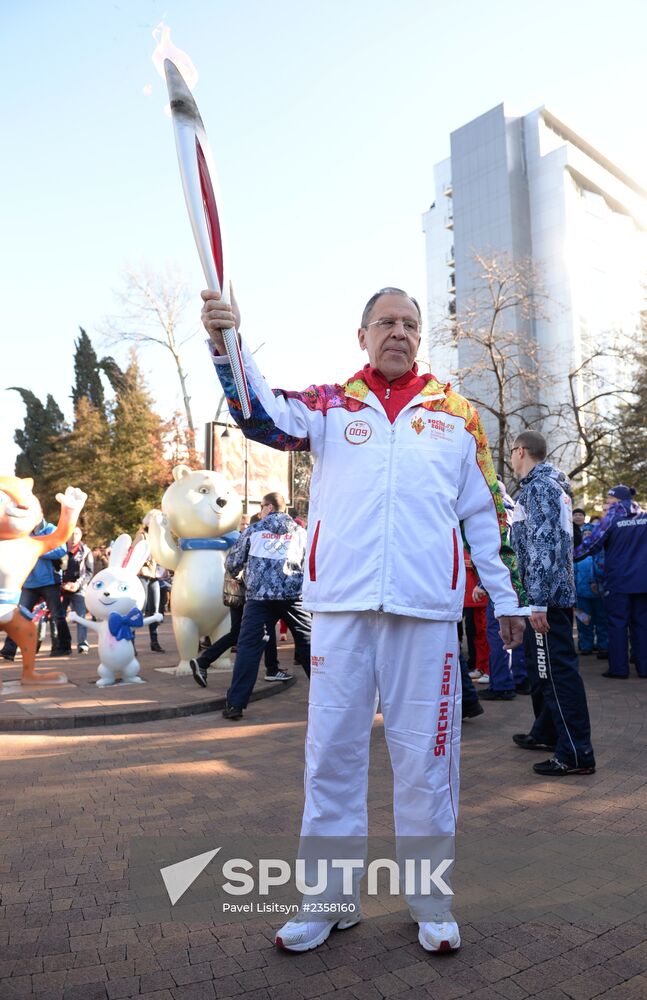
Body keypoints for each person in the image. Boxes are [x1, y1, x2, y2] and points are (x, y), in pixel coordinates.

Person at [201, 285, 527, 955]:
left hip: (425, 615)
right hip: (342, 611)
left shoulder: (456, 415)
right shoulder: (329, 405)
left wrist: (506, 598)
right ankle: (327, 903)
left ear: (419, 335)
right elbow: (262, 417)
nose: (398, 332)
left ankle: (430, 903)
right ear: (362, 335)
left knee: (426, 764)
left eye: (410, 323)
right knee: (331, 762)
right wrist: (227, 344)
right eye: (386, 322)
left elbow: (483, 514)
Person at [509, 431, 595, 776]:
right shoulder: (547, 487)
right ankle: (546, 732)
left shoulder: (540, 488)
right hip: (543, 596)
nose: (512, 459)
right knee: (540, 669)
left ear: (521, 452)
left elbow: (543, 548)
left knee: (556, 674)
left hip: (545, 600)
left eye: (513, 453)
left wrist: (539, 602)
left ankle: (575, 753)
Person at [219, 492, 310, 715]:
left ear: (268, 507)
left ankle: (235, 704)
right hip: (293, 597)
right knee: (309, 645)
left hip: (259, 598)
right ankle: (329, 699)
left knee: (248, 649)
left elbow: (233, 562)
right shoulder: (300, 532)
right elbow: (310, 561)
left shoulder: (253, 530)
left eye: (261, 506)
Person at [574, 485, 647, 679]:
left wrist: (569, 558)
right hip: (642, 581)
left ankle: (619, 668)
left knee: (617, 624)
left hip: (618, 581)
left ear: (617, 500)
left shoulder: (612, 519)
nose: (607, 501)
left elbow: (592, 545)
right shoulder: (645, 517)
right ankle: (644, 667)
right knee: (642, 624)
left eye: (609, 498)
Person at [0, 518, 73, 660]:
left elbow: (61, 550)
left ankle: (64, 647)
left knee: (57, 615)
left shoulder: (50, 530)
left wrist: (37, 550)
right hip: (29, 583)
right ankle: (9, 650)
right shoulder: (22, 533)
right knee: (18, 617)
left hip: (49, 581)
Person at [573, 524, 608, 657]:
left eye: (590, 533)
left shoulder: (600, 551)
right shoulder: (578, 552)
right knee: (584, 622)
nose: (587, 535)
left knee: (602, 621)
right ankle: (586, 646)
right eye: (585, 533)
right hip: (581, 596)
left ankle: (603, 646)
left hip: (599, 595)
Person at [60, 527, 94, 653]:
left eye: (77, 534)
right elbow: (54, 568)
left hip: (78, 589)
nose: (74, 537)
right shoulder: (60, 549)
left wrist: (76, 585)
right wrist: (61, 584)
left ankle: (82, 644)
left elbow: (89, 572)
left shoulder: (86, 551)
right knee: (59, 617)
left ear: (80, 536)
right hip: (61, 589)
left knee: (81, 616)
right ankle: (62, 645)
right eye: (71, 534)